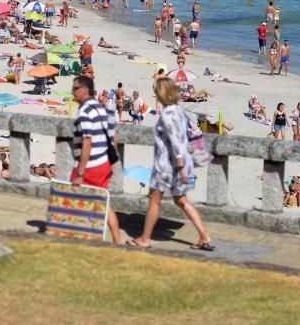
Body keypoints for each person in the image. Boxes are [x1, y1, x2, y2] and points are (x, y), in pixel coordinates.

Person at [127, 77, 213, 251]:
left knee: (154, 200)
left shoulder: (167, 115)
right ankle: (204, 236)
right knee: (182, 201)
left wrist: (180, 168)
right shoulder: (179, 111)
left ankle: (145, 238)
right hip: (181, 163)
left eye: (156, 91)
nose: (155, 95)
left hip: (168, 165)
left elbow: (176, 143)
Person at [70, 75, 120, 244]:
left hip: (90, 166)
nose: (72, 91)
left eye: (75, 88)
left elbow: (87, 142)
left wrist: (80, 173)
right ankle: (116, 240)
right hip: (104, 163)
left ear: (84, 90)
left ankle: (84, 238)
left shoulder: (84, 112)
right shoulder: (100, 108)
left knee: (77, 201)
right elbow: (115, 136)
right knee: (103, 202)